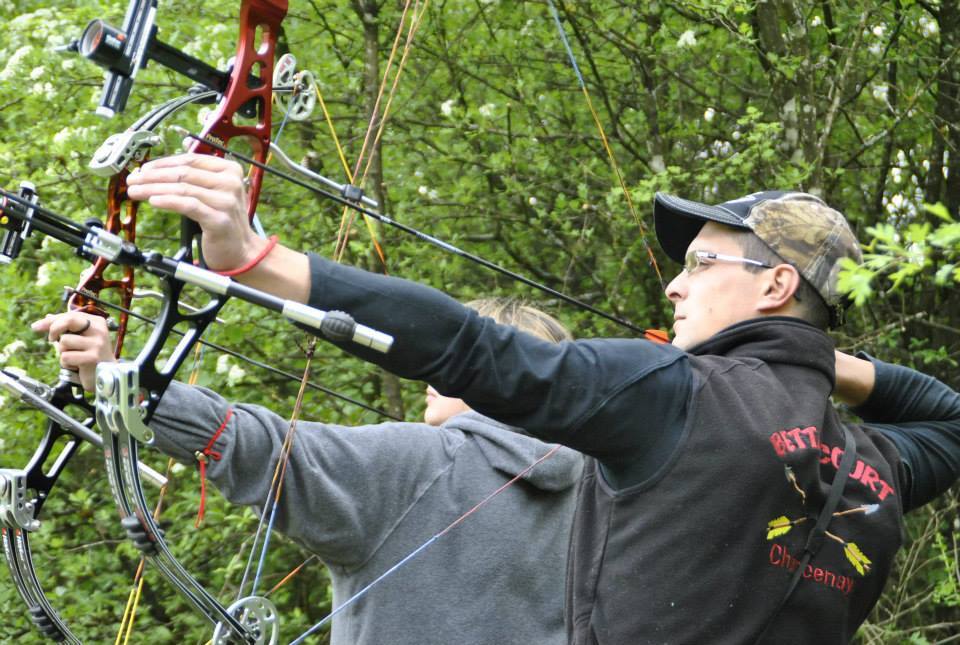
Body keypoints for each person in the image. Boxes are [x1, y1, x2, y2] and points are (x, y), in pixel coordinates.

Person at [118, 154, 959, 644]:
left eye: (701, 264)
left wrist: (259, 260)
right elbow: (950, 417)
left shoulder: (676, 396)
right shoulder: (872, 463)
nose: (675, 285)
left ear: (775, 284)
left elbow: (468, 346)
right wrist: (807, 360)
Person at [33, 298, 583, 645]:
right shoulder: (601, 485)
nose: (432, 376)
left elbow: (259, 446)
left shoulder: (426, 461)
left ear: (500, 378)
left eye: (456, 361)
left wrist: (119, 380)